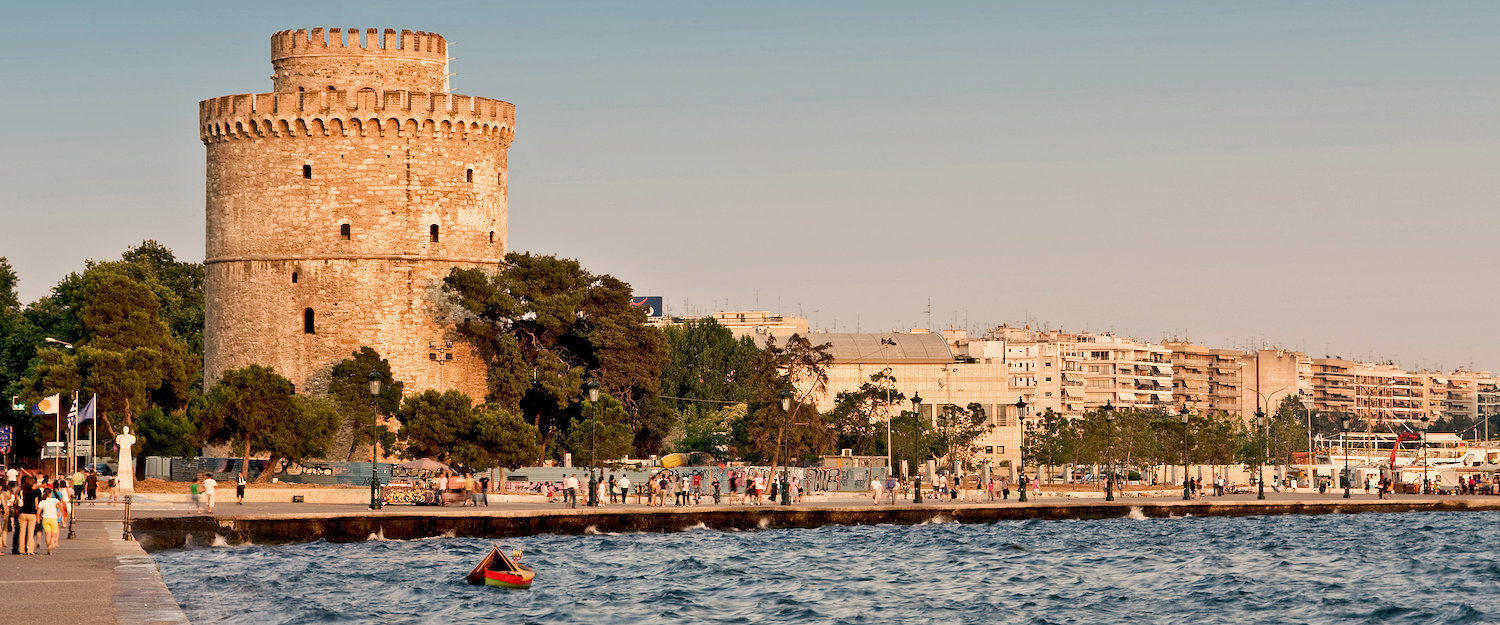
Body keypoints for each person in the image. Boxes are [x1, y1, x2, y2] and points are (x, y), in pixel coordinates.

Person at [16, 477, 38, 555]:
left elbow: (17, 501)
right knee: (30, 533)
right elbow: (36, 504)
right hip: (32, 514)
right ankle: (29, 550)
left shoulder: (22, 491)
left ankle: (21, 550)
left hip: (22, 513)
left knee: (22, 532)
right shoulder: (35, 492)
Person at [38, 487, 62, 555]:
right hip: (53, 518)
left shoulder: (42, 501)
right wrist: (59, 512)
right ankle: (50, 546)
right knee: (54, 534)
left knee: (47, 534)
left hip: (45, 518)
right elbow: (61, 505)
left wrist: (38, 518)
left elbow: (38, 511)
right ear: (50, 493)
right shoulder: (54, 500)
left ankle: (48, 546)